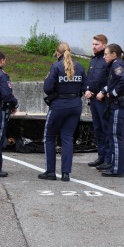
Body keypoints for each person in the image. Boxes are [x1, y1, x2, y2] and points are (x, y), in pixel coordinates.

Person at [39, 42, 86, 182]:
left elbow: (47, 88)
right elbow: (85, 86)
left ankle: (50, 172)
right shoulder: (80, 66)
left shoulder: (56, 67)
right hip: (75, 105)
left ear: (58, 53)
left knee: (49, 137)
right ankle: (66, 173)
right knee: (67, 138)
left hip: (59, 106)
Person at [95, 43, 124, 177]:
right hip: (123, 104)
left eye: (106, 54)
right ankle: (118, 167)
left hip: (120, 106)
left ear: (114, 55)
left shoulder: (117, 64)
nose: (104, 57)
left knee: (117, 138)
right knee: (119, 138)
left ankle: (117, 170)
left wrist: (113, 94)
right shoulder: (119, 64)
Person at [83, 34, 111, 168]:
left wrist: (103, 92)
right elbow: (89, 78)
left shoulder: (107, 60)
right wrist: (87, 89)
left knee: (106, 129)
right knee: (98, 129)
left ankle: (108, 159)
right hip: (93, 100)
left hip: (104, 100)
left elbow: (112, 80)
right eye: (93, 44)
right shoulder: (93, 60)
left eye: (97, 44)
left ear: (104, 45)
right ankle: (101, 156)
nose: (94, 47)